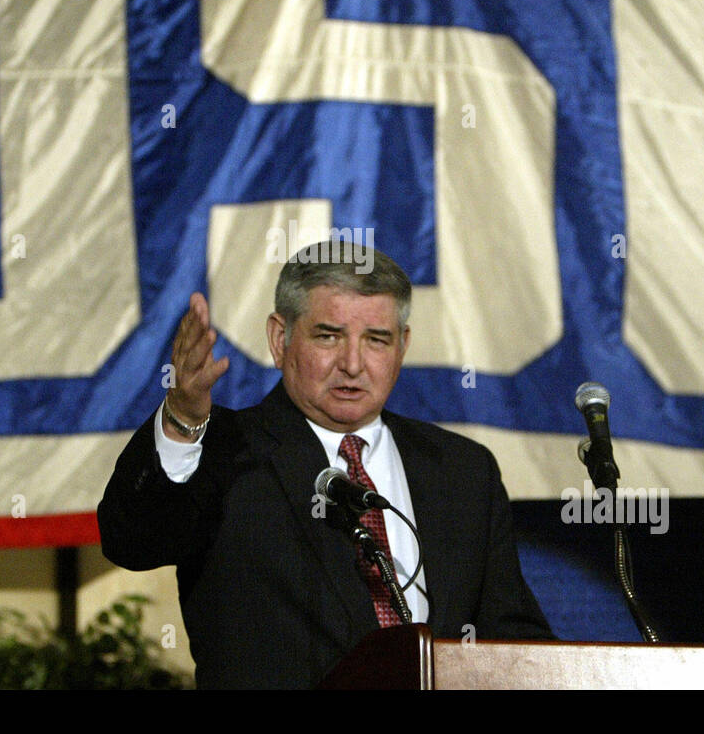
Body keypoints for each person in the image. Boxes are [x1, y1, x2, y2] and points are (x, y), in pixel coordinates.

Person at [97, 241, 553, 688]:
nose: (352, 364)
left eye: (377, 340)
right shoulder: (225, 451)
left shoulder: (462, 470)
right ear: (280, 339)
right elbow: (133, 541)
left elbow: (512, 640)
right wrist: (182, 421)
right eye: (328, 336)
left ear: (403, 345)